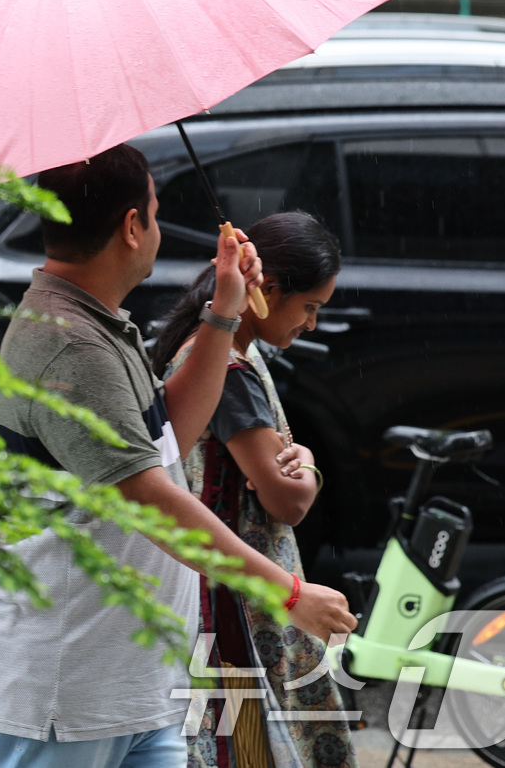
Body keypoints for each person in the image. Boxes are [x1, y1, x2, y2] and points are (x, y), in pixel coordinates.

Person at [0, 147, 358, 768]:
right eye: (158, 214)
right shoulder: (66, 346)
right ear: (132, 226)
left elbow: (169, 435)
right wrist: (289, 592)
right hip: (63, 692)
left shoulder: (94, 324)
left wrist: (224, 309)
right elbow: (150, 498)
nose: (161, 232)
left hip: (126, 686)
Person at [151, 211, 355, 768]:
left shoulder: (216, 349)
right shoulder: (230, 369)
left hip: (227, 590)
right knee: (246, 748)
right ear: (265, 291)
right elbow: (285, 499)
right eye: (310, 307)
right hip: (238, 602)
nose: (311, 323)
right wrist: (310, 467)